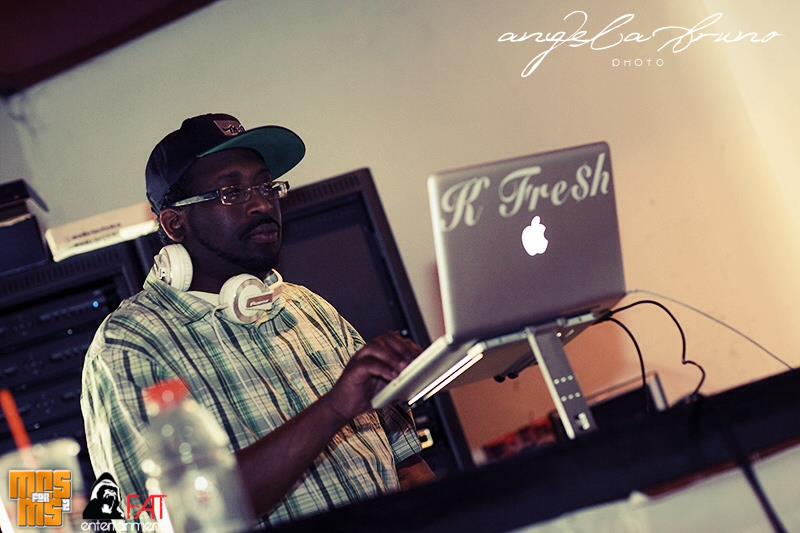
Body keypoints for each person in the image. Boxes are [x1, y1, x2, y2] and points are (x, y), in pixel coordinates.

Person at [80, 113, 436, 528]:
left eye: (267, 186)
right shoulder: (129, 346)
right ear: (176, 224)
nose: (263, 204)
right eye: (231, 192)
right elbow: (159, 519)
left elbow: (408, 466)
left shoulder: (309, 308)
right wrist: (333, 408)